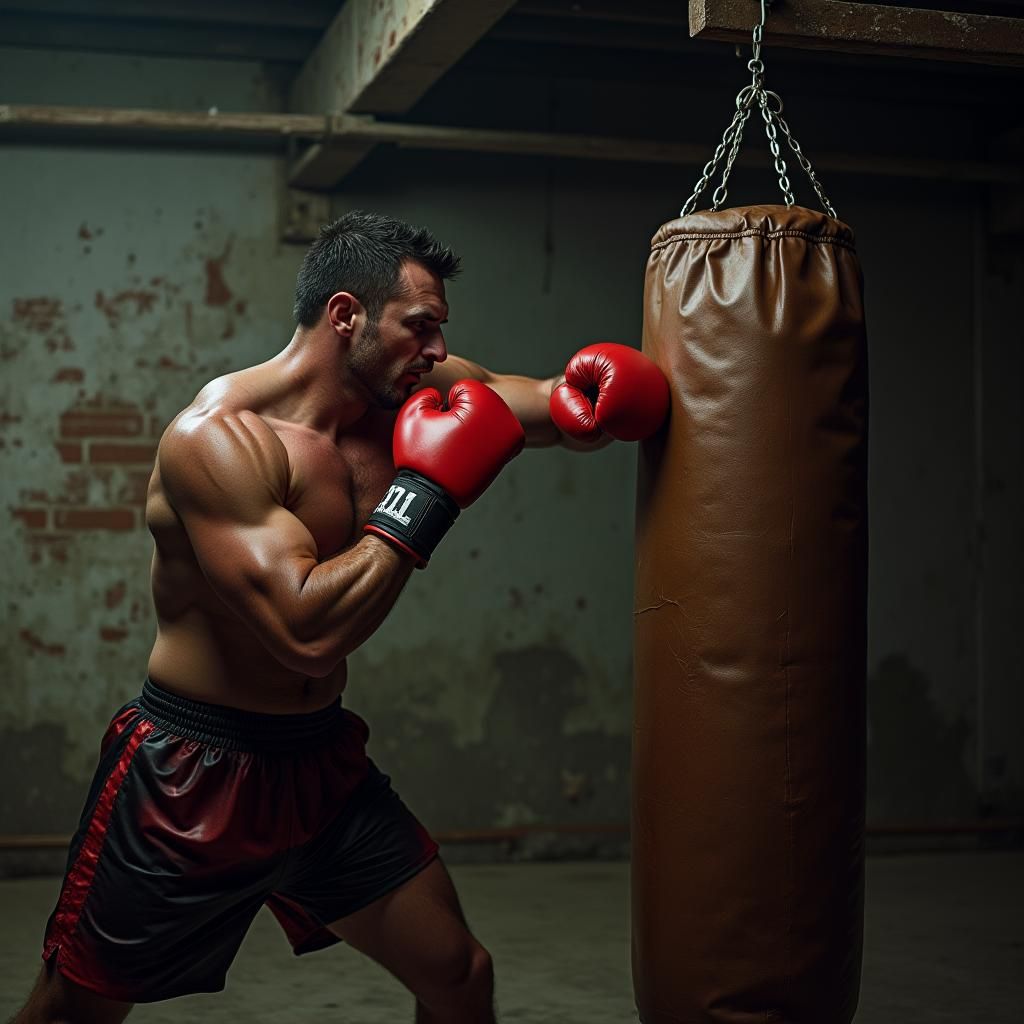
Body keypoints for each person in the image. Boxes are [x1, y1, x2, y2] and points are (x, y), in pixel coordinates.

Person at [13, 211, 668, 1023]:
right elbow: (304, 632)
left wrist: (594, 404)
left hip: (319, 766)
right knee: (71, 1011)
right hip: (192, 776)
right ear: (346, 315)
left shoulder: (404, 391)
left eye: (440, 332)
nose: (436, 351)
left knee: (458, 974)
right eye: (419, 327)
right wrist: (424, 496)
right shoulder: (220, 441)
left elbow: (520, 404)